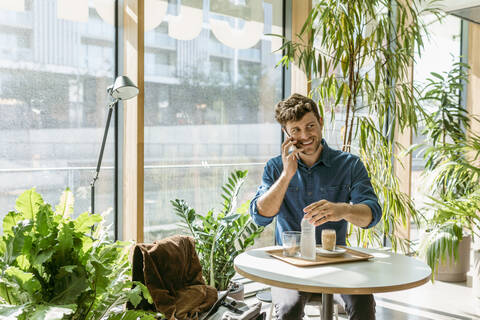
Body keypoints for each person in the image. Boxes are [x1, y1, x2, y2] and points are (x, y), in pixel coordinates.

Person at [249, 93, 382, 320]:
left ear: (320, 122)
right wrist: (286, 175)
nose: (305, 135)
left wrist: (343, 210)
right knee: (288, 311)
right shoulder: (275, 167)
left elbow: (372, 215)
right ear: (287, 134)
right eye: (296, 130)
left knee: (364, 305)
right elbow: (260, 216)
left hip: (337, 264)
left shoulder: (349, 165)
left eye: (310, 126)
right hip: (289, 266)